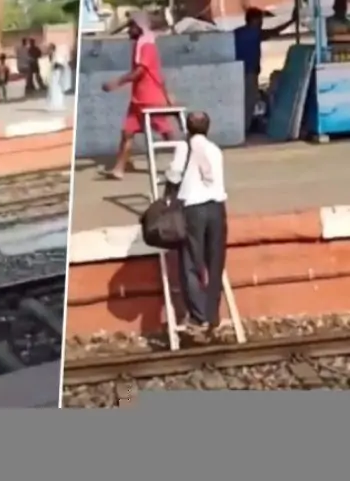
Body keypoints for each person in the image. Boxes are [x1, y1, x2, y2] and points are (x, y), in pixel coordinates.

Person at [164, 112, 227, 336]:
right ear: (208, 128)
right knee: (215, 263)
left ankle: (198, 316)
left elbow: (174, 175)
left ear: (188, 129)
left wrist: (166, 198)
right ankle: (212, 315)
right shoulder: (215, 150)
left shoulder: (184, 147)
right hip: (217, 208)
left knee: (191, 263)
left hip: (194, 209)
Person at [101, 11, 176, 180]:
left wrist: (116, 83)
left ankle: (184, 160)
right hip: (139, 98)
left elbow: (140, 71)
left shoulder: (147, 45)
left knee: (166, 133)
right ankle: (119, 168)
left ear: (139, 28)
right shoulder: (141, 44)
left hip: (150, 98)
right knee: (127, 133)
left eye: (131, 27)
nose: (128, 31)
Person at [234, 7, 296, 134]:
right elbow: (274, 32)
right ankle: (244, 128)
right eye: (260, 19)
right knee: (249, 100)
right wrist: (292, 21)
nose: (262, 22)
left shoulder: (237, 32)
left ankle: (242, 126)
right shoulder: (254, 33)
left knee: (242, 100)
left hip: (236, 72)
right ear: (254, 20)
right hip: (249, 72)